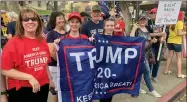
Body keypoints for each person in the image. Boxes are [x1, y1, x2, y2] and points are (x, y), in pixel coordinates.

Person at [1, 8, 54, 102]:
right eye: (26, 19)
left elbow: (45, 63)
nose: (30, 22)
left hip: (42, 86)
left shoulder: (42, 40)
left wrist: (50, 79)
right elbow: (5, 70)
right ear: (21, 23)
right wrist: (29, 77)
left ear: (38, 22)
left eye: (33, 19)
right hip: (22, 90)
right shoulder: (13, 43)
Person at [130, 13, 161, 98]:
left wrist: (152, 41)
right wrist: (133, 28)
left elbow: (147, 41)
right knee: (146, 72)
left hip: (146, 53)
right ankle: (151, 90)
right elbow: (131, 39)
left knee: (139, 72)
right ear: (138, 20)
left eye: (144, 19)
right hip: (139, 54)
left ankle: (136, 89)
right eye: (141, 19)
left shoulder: (146, 29)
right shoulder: (136, 29)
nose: (143, 21)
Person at [46, 11, 67, 102]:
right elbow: (51, 52)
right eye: (59, 18)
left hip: (66, 66)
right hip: (55, 66)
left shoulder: (67, 33)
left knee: (64, 90)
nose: (62, 20)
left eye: (63, 18)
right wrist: (61, 61)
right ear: (54, 20)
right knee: (56, 91)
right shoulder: (51, 34)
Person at [164, 11, 186, 78]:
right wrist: (185, 32)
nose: (184, 16)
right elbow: (179, 33)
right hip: (177, 42)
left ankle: (166, 70)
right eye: (183, 15)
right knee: (179, 58)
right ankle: (179, 74)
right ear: (180, 16)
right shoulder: (180, 22)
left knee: (170, 56)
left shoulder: (172, 22)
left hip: (170, 41)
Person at [146, 8, 166, 83]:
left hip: (159, 44)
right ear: (150, 14)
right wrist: (159, 34)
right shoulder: (148, 22)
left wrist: (163, 38)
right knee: (151, 61)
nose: (154, 14)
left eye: (156, 13)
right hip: (151, 44)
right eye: (153, 13)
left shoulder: (162, 23)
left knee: (158, 61)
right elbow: (147, 34)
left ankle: (154, 76)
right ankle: (147, 77)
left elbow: (164, 33)